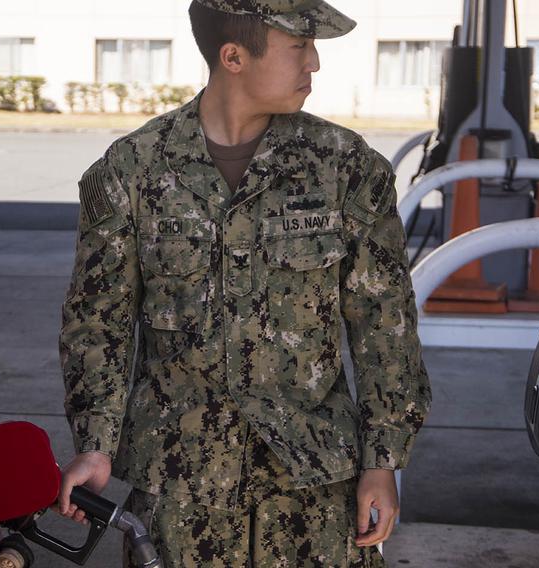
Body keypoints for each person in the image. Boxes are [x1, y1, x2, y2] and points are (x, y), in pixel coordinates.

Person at [58, 1, 432, 565]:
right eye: (298, 47)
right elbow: (97, 322)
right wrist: (94, 444)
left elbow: (386, 325)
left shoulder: (344, 168)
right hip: (180, 487)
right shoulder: (132, 171)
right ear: (233, 56)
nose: (315, 64)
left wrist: (382, 462)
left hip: (315, 488)